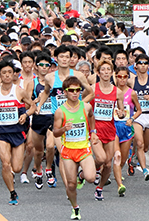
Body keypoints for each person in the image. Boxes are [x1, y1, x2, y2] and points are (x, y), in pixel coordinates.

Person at [0, 59, 36, 206]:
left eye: (9, 72)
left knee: (16, 168)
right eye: (3, 72)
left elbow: (33, 106)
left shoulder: (19, 91)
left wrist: (26, 115)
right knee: (6, 164)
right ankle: (12, 192)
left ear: (13, 75)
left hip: (18, 132)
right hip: (3, 133)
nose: (6, 75)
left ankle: (13, 176)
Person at [53, 76, 98, 220]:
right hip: (68, 151)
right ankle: (75, 207)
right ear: (65, 92)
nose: (75, 93)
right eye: (71, 90)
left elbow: (91, 117)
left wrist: (93, 132)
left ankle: (81, 175)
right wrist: (64, 129)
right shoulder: (60, 111)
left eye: (78, 90)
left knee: (91, 177)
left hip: (84, 148)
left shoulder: (86, 106)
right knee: (71, 185)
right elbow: (55, 132)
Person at [86, 59, 125, 201]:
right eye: (103, 70)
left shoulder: (118, 92)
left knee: (108, 164)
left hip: (110, 129)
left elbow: (122, 111)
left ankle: (99, 188)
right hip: (95, 129)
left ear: (112, 72)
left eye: (109, 69)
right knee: (101, 159)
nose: (106, 72)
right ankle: (91, 171)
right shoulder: (92, 89)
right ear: (98, 72)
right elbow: (82, 105)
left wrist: (122, 113)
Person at [128, 53, 149, 180]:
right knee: (140, 143)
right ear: (135, 65)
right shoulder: (131, 81)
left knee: (145, 147)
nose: (143, 65)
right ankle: (145, 170)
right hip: (138, 116)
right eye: (140, 63)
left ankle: (134, 155)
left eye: (145, 63)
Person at [30, 52, 57, 189]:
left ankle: (48, 169)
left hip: (51, 117)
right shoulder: (32, 83)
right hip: (38, 118)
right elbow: (26, 102)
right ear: (36, 67)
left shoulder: (55, 81)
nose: (45, 67)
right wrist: (36, 101)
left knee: (51, 146)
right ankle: (38, 170)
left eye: (48, 65)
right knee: (39, 150)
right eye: (42, 65)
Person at [112, 66, 141, 197]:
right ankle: (119, 185)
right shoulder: (111, 91)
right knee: (116, 156)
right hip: (113, 127)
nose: (122, 79)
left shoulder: (132, 93)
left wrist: (132, 118)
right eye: (119, 77)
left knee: (122, 159)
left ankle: (115, 173)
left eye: (125, 77)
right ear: (116, 77)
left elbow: (139, 110)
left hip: (126, 128)